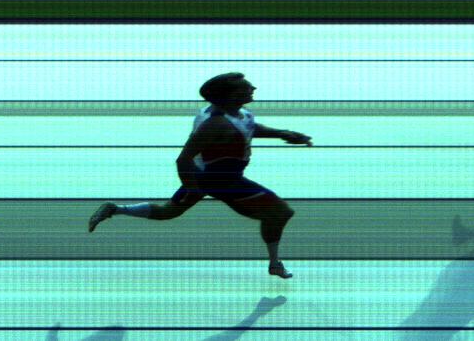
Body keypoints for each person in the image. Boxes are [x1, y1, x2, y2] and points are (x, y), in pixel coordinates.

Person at [88, 73, 310, 278]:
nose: (253, 88)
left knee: (168, 212)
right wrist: (192, 186)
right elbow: (183, 159)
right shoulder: (215, 124)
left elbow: (249, 127)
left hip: (204, 176)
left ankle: (115, 209)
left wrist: (283, 133)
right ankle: (274, 264)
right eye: (246, 87)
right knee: (280, 212)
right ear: (229, 95)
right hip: (222, 180)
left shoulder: (237, 113)